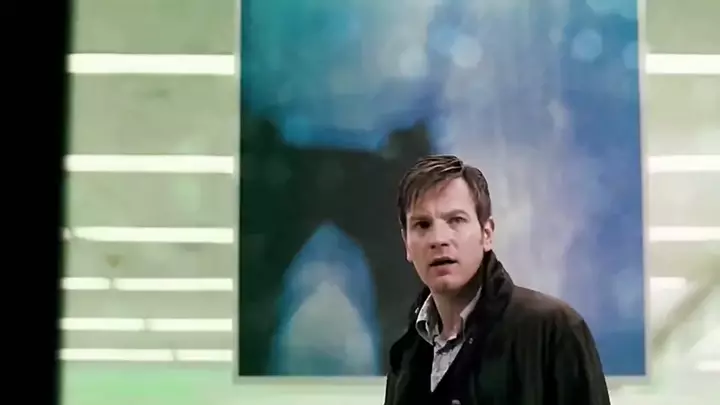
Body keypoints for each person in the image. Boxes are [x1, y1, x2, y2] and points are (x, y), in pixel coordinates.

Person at [383, 155, 611, 405]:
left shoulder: (554, 330)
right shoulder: (406, 353)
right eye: (422, 224)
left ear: (487, 234)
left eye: (456, 220)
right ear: (407, 244)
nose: (438, 239)